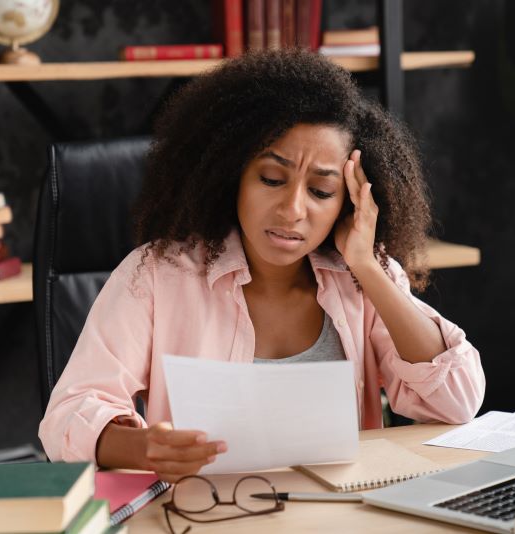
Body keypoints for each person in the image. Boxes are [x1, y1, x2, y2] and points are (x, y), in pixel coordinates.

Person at [39, 49, 485, 482]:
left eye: (321, 192)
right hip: (207, 514)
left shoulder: (363, 278)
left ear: (349, 200)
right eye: (272, 179)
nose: (292, 210)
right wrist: (143, 448)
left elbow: (455, 401)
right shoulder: (157, 274)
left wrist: (369, 271)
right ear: (232, 173)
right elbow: (67, 415)